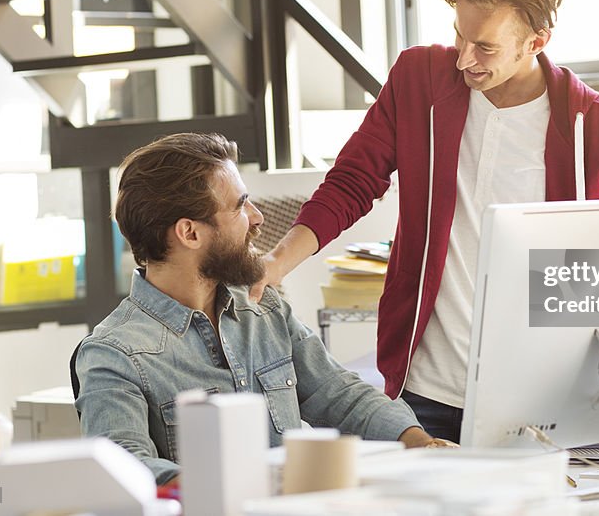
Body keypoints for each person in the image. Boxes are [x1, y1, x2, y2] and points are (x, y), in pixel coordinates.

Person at [255, 0, 599, 442]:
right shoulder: (419, 80)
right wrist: (277, 263)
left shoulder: (593, 126)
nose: (464, 58)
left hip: (543, 400)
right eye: (459, 34)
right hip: (426, 390)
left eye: (485, 47)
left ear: (535, 43)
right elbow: (353, 180)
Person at [74, 132, 443, 486]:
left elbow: (339, 395)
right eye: (239, 205)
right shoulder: (113, 354)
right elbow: (124, 466)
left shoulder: (263, 308)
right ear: (189, 233)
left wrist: (420, 442)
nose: (257, 217)